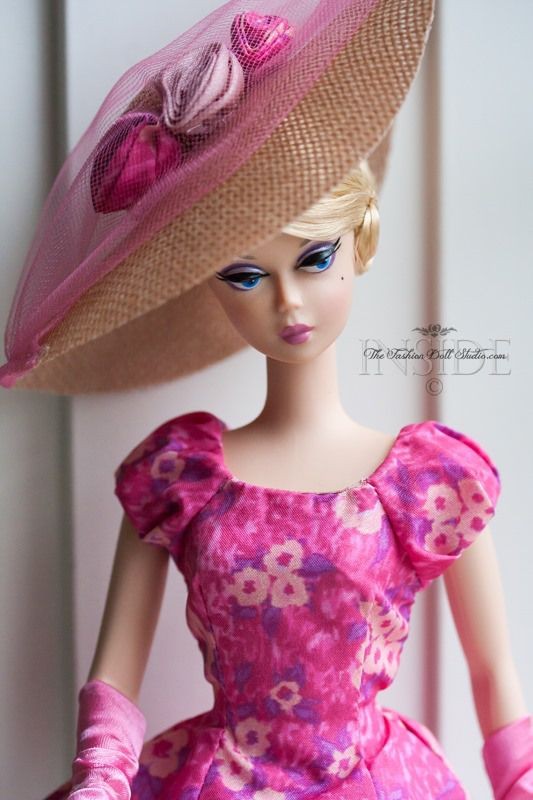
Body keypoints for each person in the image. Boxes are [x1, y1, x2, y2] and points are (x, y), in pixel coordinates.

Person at [0, 2, 530, 798]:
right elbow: (113, 677)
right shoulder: (179, 477)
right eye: (245, 276)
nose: (287, 302)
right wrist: (101, 779)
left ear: (360, 240)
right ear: (213, 292)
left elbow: (492, 675)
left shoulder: (426, 481)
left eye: (314, 260)